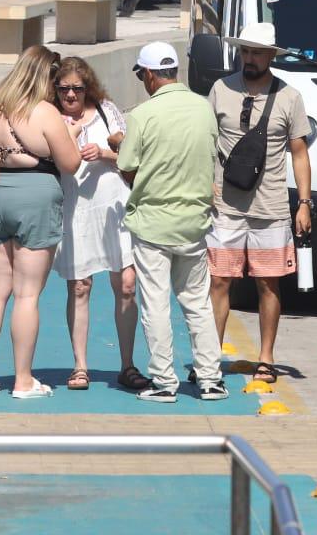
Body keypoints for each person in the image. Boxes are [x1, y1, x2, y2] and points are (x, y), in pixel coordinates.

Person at [118, 41, 229, 403]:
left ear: (149, 74)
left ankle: (164, 382)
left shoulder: (142, 115)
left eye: (141, 74)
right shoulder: (203, 109)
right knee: (197, 302)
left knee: (156, 304)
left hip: (153, 223)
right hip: (194, 222)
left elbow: (127, 166)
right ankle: (211, 379)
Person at [0, 45, 80, 398]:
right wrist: (72, 136)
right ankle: (22, 380)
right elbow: (70, 163)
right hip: (34, 195)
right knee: (27, 295)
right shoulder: (44, 112)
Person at [206, 23, 312, 385]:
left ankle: (266, 358)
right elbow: (207, 141)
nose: (249, 58)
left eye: (257, 52)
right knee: (219, 281)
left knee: (269, 284)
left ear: (271, 56)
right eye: (245, 51)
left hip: (270, 210)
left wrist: (304, 202)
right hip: (226, 207)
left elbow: (299, 153)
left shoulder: (289, 97)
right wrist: (207, 185)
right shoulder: (220, 89)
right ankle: (210, 358)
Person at [51, 57, 148, 392]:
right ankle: (80, 366)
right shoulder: (52, 116)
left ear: (87, 87)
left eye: (77, 88)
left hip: (113, 206)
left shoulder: (107, 110)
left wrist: (105, 153)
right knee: (80, 287)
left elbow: (131, 154)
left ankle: (127, 364)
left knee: (126, 284)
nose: (70, 95)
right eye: (63, 89)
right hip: (76, 208)